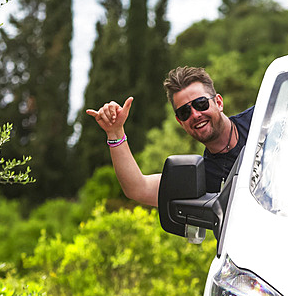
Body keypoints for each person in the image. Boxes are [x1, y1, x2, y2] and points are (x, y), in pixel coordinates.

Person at [86, 66, 253, 207]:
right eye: (184, 112)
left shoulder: (261, 120)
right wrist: (115, 132)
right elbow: (138, 189)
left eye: (201, 103)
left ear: (219, 102)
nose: (195, 115)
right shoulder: (198, 177)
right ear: (180, 121)